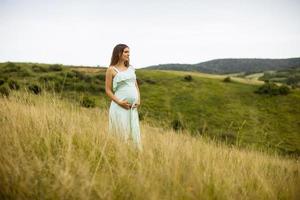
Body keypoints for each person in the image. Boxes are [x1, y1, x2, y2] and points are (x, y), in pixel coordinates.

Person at [105, 44, 143, 151]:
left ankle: (132, 158)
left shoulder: (131, 69)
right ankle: (119, 156)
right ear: (119, 53)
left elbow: (135, 86)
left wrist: (138, 100)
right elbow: (107, 90)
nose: (128, 54)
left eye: (128, 52)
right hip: (119, 107)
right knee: (121, 134)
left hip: (132, 108)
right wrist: (119, 102)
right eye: (126, 52)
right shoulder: (111, 70)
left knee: (132, 134)